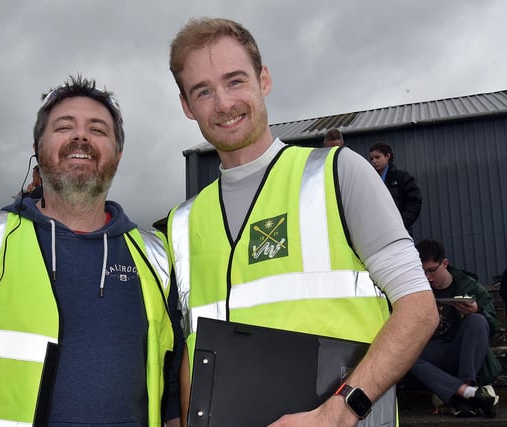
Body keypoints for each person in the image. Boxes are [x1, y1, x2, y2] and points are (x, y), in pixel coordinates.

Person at [167, 17, 439, 426]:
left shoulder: (337, 173)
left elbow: (419, 309)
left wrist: (341, 410)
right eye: (203, 91)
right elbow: (193, 349)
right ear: (188, 107)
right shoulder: (182, 223)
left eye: (235, 80)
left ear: (264, 80)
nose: (223, 103)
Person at [0, 75, 182, 426]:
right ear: (38, 148)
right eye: (64, 127)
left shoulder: (156, 255)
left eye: (97, 129)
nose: (81, 136)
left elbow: (172, 388)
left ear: (118, 155)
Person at [410, 239, 500, 418]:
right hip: (435, 353)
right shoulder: (416, 289)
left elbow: (493, 325)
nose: (428, 277)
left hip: (465, 353)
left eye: (432, 270)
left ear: (444, 263)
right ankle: (470, 394)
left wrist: (477, 310)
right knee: (405, 357)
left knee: (477, 320)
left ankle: (463, 391)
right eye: (423, 272)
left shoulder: (468, 284)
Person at [368, 142, 422, 234]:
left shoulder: (402, 177)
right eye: (372, 158)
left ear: (387, 156)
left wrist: (401, 224)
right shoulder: (370, 180)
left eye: (377, 157)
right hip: (378, 233)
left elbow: (414, 202)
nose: (374, 161)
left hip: (400, 233)